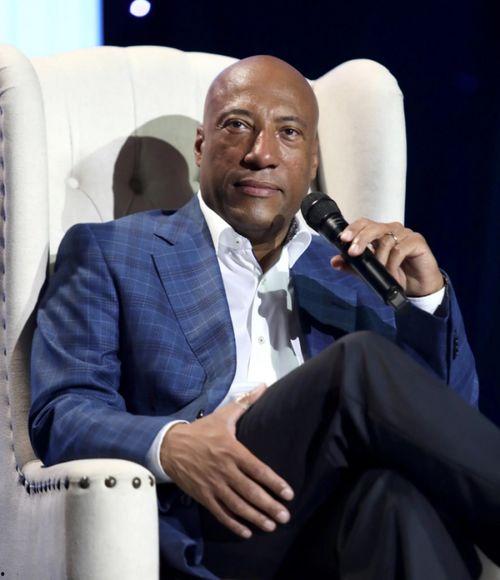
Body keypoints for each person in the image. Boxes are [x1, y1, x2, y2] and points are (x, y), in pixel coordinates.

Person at [29, 55, 500, 580]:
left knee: (397, 502)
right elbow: (62, 413)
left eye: (289, 132)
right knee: (358, 365)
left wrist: (427, 301)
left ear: (312, 161)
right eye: (237, 126)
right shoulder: (112, 252)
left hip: (334, 532)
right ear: (202, 146)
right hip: (206, 521)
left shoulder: (353, 270)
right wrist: (172, 443)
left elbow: (446, 431)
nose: (261, 154)